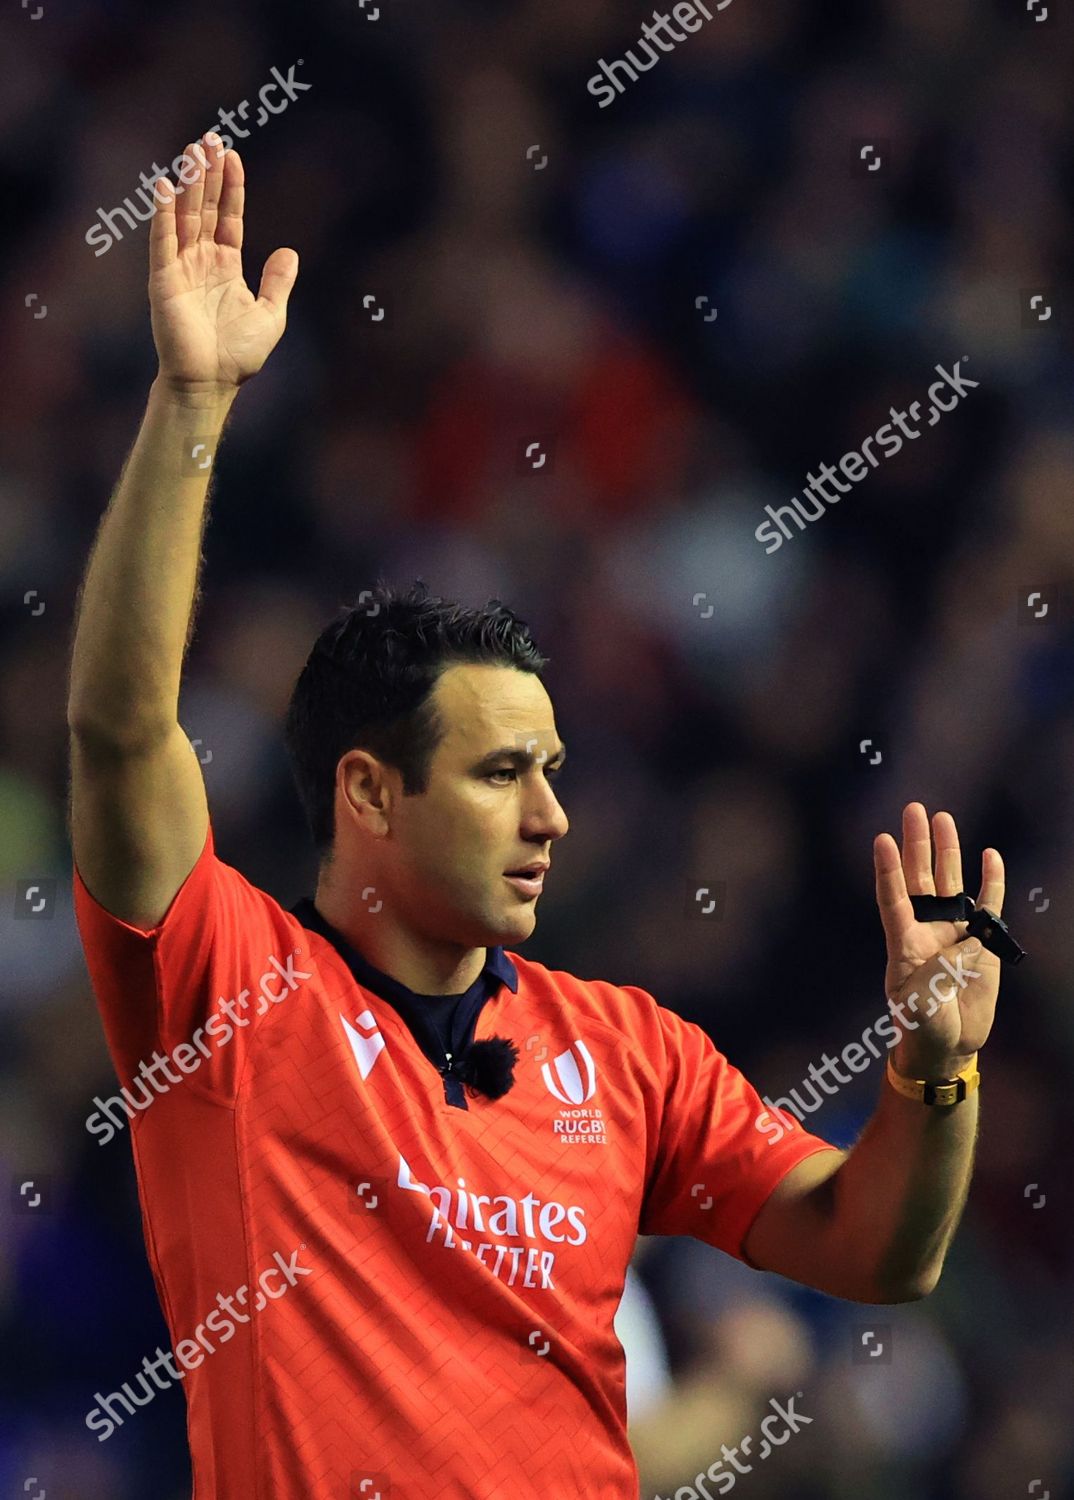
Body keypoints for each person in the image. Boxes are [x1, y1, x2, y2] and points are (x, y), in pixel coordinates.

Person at [67, 132, 1007, 1500]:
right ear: (370, 792)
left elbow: (881, 1253)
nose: (554, 815)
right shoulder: (226, 997)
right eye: (503, 773)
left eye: (553, 768)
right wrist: (194, 400)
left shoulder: (626, 1053)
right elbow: (118, 734)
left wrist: (932, 1069)